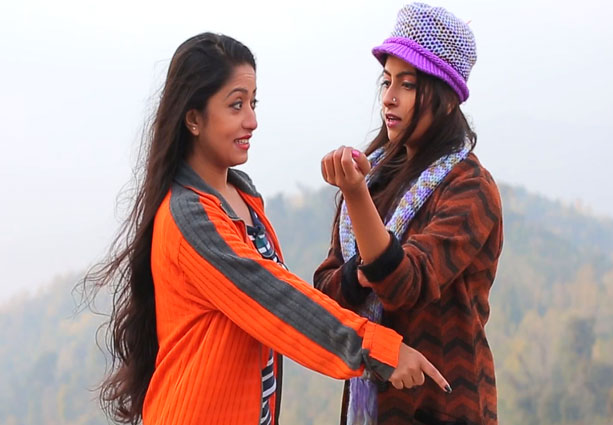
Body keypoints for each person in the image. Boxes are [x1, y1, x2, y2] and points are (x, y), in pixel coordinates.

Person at [84, 32, 448, 425]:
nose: (252, 121)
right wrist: (378, 349)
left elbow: (277, 294)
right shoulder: (189, 216)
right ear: (193, 119)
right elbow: (274, 300)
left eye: (253, 103)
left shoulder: (242, 196)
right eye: (236, 105)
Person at [315, 3, 503, 425]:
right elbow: (327, 291)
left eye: (408, 84)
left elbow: (404, 285)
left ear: (447, 100)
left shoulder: (470, 188)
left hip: (441, 406)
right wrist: (359, 273)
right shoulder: (378, 176)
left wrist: (355, 195)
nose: (389, 98)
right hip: (373, 403)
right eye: (387, 81)